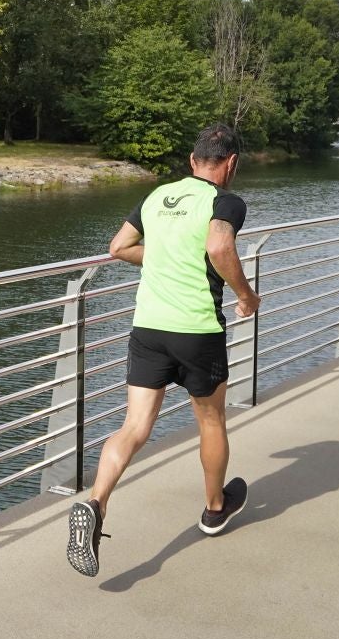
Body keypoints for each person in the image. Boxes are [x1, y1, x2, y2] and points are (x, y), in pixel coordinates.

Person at [66, 123, 261, 578]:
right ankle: (215, 509)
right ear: (230, 164)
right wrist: (246, 295)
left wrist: (162, 256)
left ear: (193, 161)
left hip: (148, 328)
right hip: (196, 330)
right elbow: (218, 245)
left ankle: (96, 503)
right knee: (211, 419)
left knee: (133, 427)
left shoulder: (156, 197)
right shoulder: (226, 201)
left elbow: (119, 247)